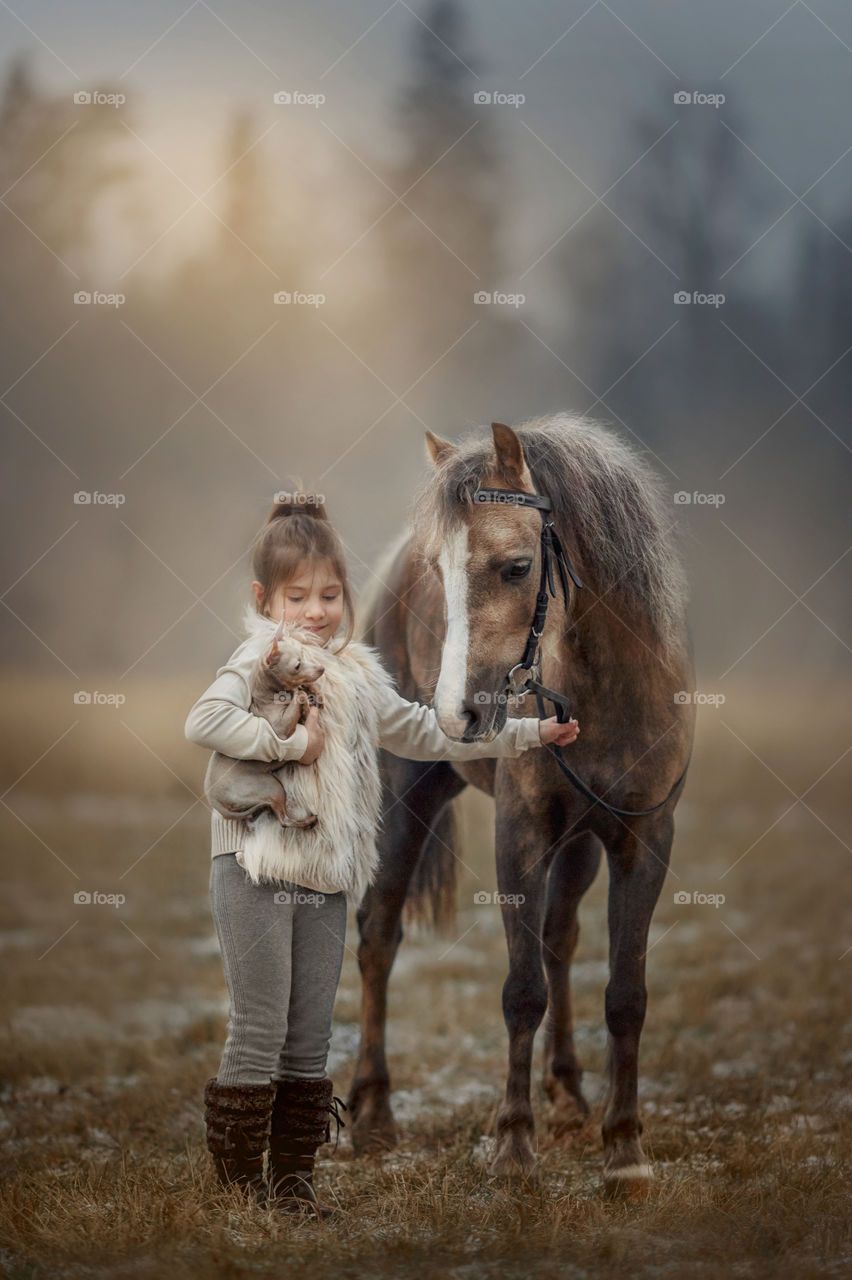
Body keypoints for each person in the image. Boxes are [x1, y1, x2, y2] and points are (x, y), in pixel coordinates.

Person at [184, 493, 579, 1219]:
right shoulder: (259, 660)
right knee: (260, 1027)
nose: (317, 610)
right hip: (254, 867)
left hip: (327, 875)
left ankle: (294, 1185)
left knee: (309, 1036)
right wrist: (287, 747)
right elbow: (203, 719)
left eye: (331, 594)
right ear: (264, 599)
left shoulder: (359, 678)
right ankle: (241, 1193)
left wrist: (524, 734)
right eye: (298, 595)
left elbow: (430, 734)